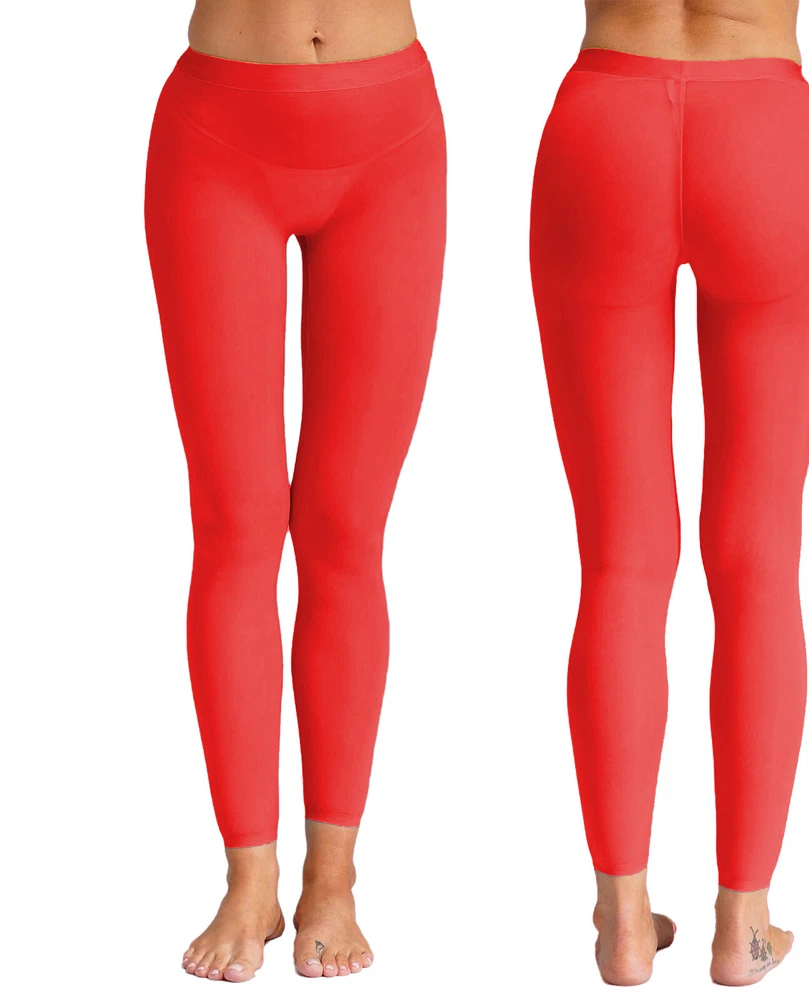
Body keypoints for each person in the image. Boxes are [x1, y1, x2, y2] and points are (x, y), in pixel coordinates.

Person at [530, 0, 809, 986]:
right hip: (764, 129)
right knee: (759, 561)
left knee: (620, 560)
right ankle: (743, 927)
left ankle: (623, 922)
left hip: (605, 122)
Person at [144, 0, 445, 982]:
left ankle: (333, 878)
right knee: (235, 526)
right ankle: (249, 877)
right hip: (219, 133)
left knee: (346, 530)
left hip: (388, 139)